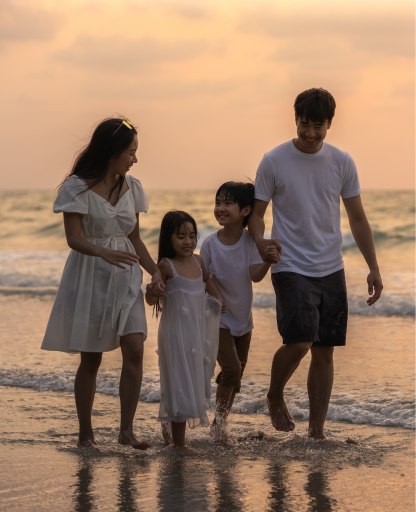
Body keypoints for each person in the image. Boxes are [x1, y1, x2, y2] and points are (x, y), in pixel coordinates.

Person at [248, 88, 383, 440]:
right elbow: (257, 215)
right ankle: (275, 394)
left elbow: (357, 218)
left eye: (318, 126)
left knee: (324, 351)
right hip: (290, 264)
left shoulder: (342, 162)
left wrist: (373, 266)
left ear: (329, 124)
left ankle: (316, 432)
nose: (310, 133)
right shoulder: (274, 160)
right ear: (296, 120)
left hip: (331, 267)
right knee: (300, 342)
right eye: (304, 124)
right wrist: (261, 244)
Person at [41, 117, 165, 450]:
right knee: (91, 359)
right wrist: (103, 253)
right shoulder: (77, 187)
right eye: (131, 152)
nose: (135, 159)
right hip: (90, 276)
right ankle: (86, 434)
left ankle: (126, 431)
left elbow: (134, 238)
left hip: (126, 275)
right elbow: (73, 238)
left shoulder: (133, 187)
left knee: (136, 349)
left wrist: (155, 272)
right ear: (112, 152)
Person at [200, 182, 279, 443]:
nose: (220, 209)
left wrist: (267, 260)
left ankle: (219, 424)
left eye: (227, 203)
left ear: (246, 210)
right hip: (218, 317)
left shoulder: (249, 243)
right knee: (231, 369)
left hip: (244, 320)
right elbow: (203, 277)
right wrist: (216, 296)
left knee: (237, 374)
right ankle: (219, 425)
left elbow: (254, 276)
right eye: (218, 202)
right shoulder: (211, 244)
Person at [145, 211, 225, 456]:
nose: (188, 241)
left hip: (195, 336)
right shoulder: (166, 266)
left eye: (192, 235)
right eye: (181, 236)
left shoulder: (199, 262)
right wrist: (153, 291)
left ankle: (169, 434)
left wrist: (217, 302)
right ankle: (179, 445)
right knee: (178, 382)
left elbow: (210, 289)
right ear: (168, 239)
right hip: (175, 335)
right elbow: (150, 300)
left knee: (190, 380)